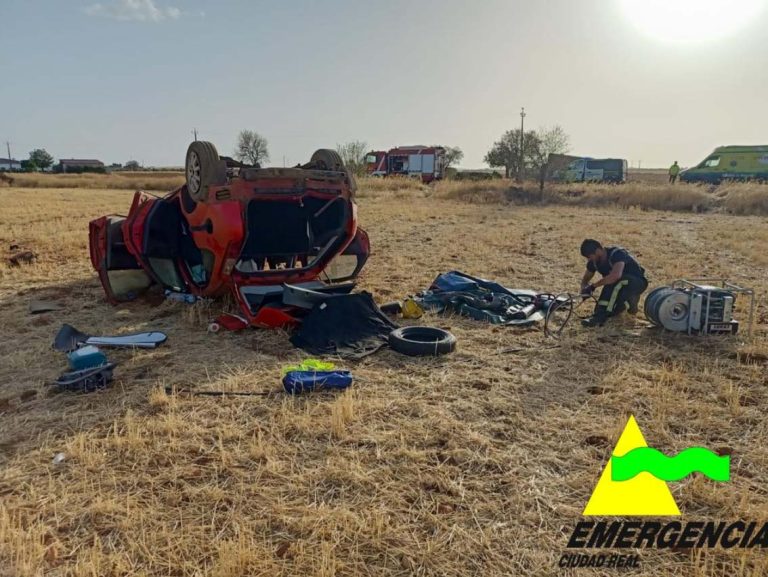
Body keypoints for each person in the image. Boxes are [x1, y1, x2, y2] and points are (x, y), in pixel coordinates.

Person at [579, 239, 649, 327]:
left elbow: (615, 276)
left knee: (614, 281)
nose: (589, 259)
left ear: (597, 251)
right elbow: (585, 279)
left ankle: (598, 318)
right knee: (614, 311)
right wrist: (584, 288)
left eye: (590, 256)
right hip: (621, 287)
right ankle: (631, 302)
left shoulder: (617, 254)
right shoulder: (594, 262)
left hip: (637, 282)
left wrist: (593, 287)